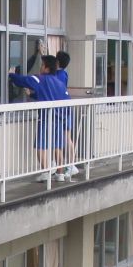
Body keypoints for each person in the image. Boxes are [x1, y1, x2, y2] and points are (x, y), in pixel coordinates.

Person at [8, 55, 70, 182]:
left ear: (47, 68)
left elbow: (24, 80)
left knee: (41, 146)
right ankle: (60, 174)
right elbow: (53, 96)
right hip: (60, 118)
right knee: (58, 146)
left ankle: (46, 172)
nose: (40, 67)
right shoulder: (59, 83)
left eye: (42, 65)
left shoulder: (41, 79)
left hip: (47, 118)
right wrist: (34, 94)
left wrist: (12, 74)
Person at [55, 50, 79, 178]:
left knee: (64, 138)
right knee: (67, 137)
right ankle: (71, 165)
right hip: (67, 108)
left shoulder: (58, 75)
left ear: (57, 61)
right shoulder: (63, 73)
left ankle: (69, 165)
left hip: (62, 109)